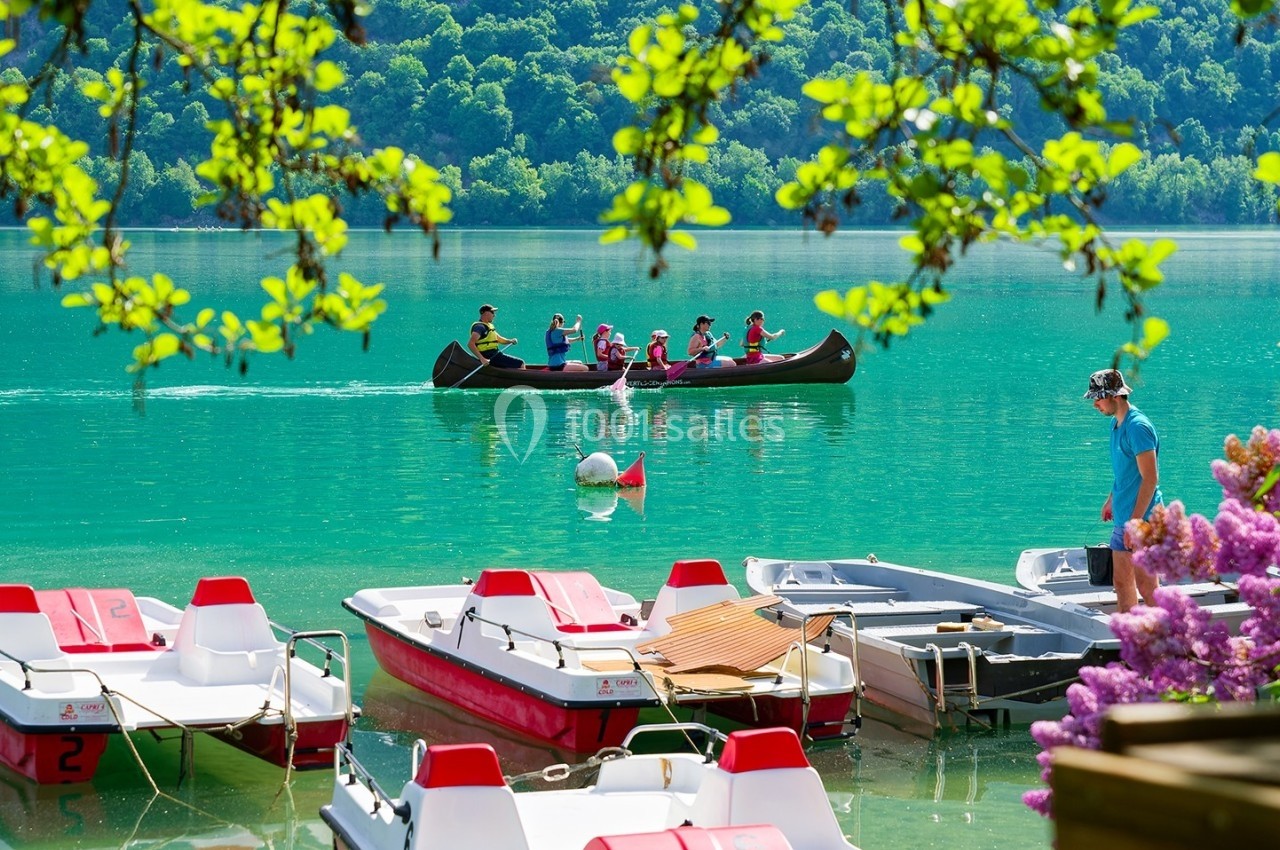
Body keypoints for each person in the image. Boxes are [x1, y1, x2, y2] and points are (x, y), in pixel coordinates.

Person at [1084, 368, 1162, 613]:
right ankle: (1131, 640)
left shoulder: (1138, 427)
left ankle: (1165, 642)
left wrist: (1135, 523)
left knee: (1147, 587)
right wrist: (1111, 499)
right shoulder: (1116, 425)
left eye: (1098, 397)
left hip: (1144, 519)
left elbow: (1150, 479)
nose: (1095, 403)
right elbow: (1125, 472)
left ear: (1114, 396)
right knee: (1121, 582)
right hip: (1123, 516)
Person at [468, 304, 523, 369]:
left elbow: (499, 339)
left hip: (495, 355)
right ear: (485, 313)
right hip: (490, 356)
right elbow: (470, 344)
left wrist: (510, 341)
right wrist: (482, 359)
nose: (494, 315)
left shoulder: (489, 326)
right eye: (492, 312)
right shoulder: (480, 327)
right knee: (521, 363)